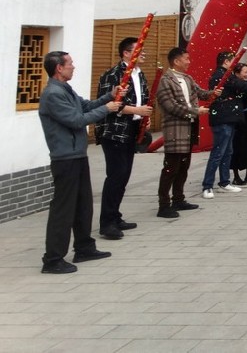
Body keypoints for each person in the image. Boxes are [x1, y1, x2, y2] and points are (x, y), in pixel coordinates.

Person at [38, 50, 121, 274]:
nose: (73, 66)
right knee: (63, 209)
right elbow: (76, 120)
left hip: (78, 154)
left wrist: (109, 96)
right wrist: (107, 109)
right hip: (65, 158)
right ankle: (53, 259)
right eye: (70, 63)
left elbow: (84, 106)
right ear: (59, 68)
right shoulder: (53, 94)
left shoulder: (65, 89)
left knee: (83, 204)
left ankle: (84, 247)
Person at [95, 37, 153, 240]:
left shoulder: (139, 74)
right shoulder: (113, 74)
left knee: (124, 176)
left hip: (131, 130)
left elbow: (143, 99)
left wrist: (144, 116)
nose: (143, 53)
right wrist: (137, 110)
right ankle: (107, 223)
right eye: (138, 50)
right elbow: (110, 105)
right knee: (116, 175)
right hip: (114, 131)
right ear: (126, 53)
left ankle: (115, 215)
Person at [156, 47, 216, 218]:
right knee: (171, 167)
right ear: (176, 61)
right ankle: (163, 204)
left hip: (189, 127)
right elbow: (171, 106)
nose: (189, 62)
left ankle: (178, 199)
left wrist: (214, 93)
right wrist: (196, 111)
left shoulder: (188, 78)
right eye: (186, 59)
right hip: (175, 129)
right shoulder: (166, 81)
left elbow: (201, 93)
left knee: (184, 166)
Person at [203, 51, 247, 197]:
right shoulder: (221, 75)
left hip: (231, 118)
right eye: (233, 60)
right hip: (222, 118)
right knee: (218, 153)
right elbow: (243, 86)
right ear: (226, 61)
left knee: (228, 152)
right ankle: (207, 185)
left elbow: (243, 89)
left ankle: (224, 182)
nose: (234, 63)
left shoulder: (228, 75)